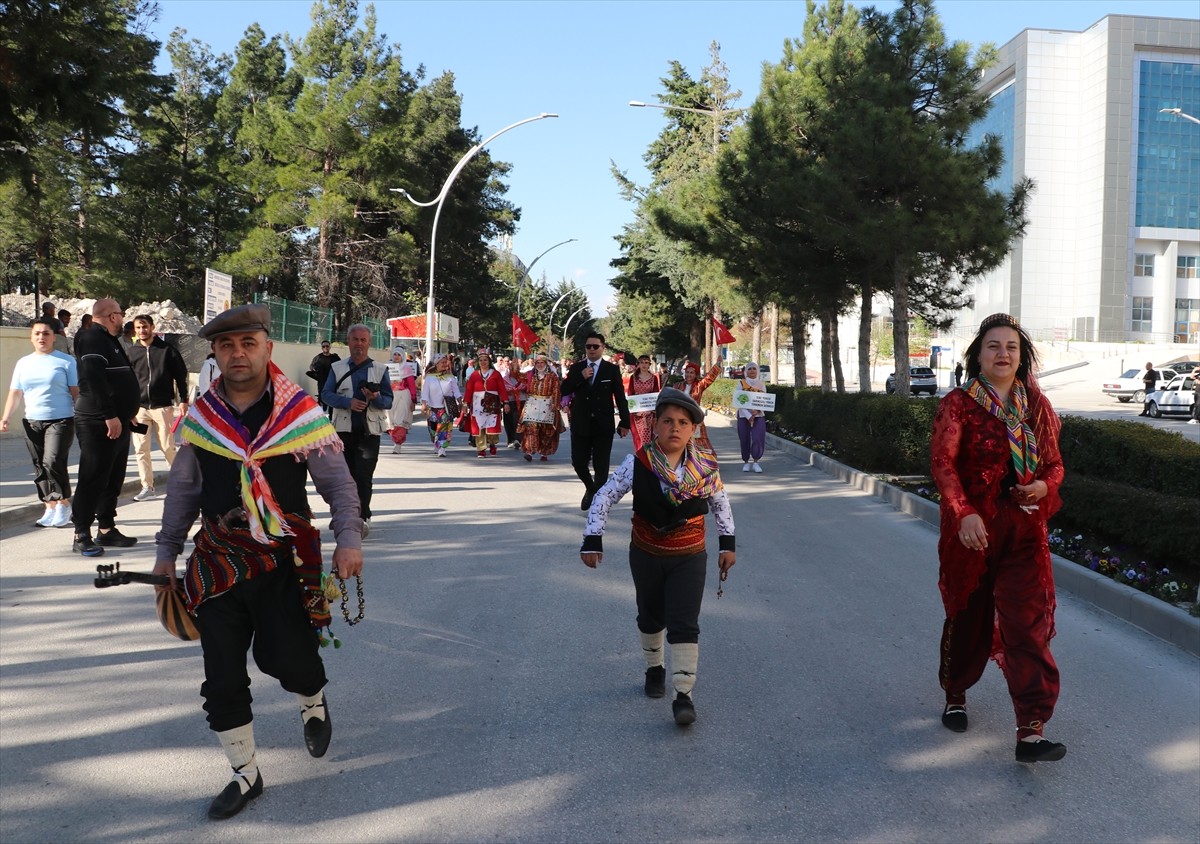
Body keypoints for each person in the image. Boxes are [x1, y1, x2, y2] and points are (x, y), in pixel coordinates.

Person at [151, 303, 363, 820]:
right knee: (221, 676)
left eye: (248, 343)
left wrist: (349, 539)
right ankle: (245, 773)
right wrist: (166, 553)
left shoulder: (300, 414)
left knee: (288, 660)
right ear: (215, 355)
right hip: (218, 562)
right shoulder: (201, 419)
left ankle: (311, 699)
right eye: (226, 346)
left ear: (268, 348)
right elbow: (182, 492)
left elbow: (338, 485)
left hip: (282, 564)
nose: (238, 354)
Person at [931, 312, 1067, 764]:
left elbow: (1055, 464)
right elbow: (944, 464)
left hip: (1023, 532)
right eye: (993, 346)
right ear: (979, 355)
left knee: (1027, 627)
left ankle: (1031, 731)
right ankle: (955, 693)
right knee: (968, 618)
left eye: (1011, 347)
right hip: (973, 533)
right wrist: (963, 512)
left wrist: (1043, 486)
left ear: (1022, 356)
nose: (1003, 354)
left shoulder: (1036, 406)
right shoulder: (959, 404)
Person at [580, 388, 736, 727]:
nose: (675, 428)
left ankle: (683, 694)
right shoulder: (637, 463)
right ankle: (654, 670)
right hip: (647, 553)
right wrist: (592, 538)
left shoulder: (706, 468)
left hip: (689, 555)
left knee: (684, 622)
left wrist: (728, 544)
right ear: (655, 425)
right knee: (650, 616)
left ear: (693, 429)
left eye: (683, 422)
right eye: (667, 421)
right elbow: (604, 496)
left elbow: (720, 504)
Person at [71, 298, 140, 556]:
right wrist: (109, 414)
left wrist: (127, 414)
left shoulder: (109, 339)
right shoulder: (92, 337)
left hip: (117, 421)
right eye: (121, 314)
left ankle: (106, 528)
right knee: (93, 477)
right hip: (98, 421)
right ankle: (81, 533)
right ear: (112, 316)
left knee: (113, 478)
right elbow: (94, 377)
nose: (123, 318)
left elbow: (116, 380)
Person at [1, 320, 79, 528]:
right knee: (39, 465)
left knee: (53, 461)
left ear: (54, 337)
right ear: (31, 337)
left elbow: (75, 392)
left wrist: (83, 417)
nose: (41, 337)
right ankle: (49, 506)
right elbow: (15, 393)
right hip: (32, 420)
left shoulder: (66, 361)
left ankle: (63, 504)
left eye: (45, 333)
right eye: (37, 334)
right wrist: (6, 417)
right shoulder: (23, 363)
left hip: (61, 419)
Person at [321, 325, 392, 538]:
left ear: (369, 343)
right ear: (349, 342)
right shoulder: (337, 368)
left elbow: (388, 401)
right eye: (355, 339)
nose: (359, 344)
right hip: (343, 431)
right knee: (345, 478)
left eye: (363, 340)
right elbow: (325, 394)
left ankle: (362, 517)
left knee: (363, 476)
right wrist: (347, 402)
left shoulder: (380, 369)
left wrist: (375, 398)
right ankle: (346, 515)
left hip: (369, 432)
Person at [561, 333, 631, 510]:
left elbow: (620, 397)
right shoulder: (577, 368)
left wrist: (625, 422)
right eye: (588, 346)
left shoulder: (611, 369)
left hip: (603, 424)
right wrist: (581, 377)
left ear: (602, 348)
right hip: (581, 423)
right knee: (578, 463)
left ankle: (597, 500)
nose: (591, 349)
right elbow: (564, 389)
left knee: (601, 467)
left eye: (595, 346)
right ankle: (590, 488)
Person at [129, 314, 190, 501]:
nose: (142, 331)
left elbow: (181, 375)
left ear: (152, 327)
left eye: (145, 327)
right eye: (138, 328)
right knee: (141, 448)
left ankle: (182, 482)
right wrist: (128, 407)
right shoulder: (131, 352)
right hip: (139, 409)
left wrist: (184, 399)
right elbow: (126, 380)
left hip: (162, 408)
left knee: (167, 446)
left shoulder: (167, 350)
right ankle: (147, 487)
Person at [518, 352, 563, 462]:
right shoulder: (530, 375)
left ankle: (544, 452)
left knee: (546, 430)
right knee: (531, 427)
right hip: (532, 403)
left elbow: (556, 391)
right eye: (537, 363)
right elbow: (518, 377)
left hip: (547, 405)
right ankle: (529, 452)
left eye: (542, 362)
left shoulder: (552, 376)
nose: (539, 365)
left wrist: (555, 404)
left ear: (546, 363)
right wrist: (514, 367)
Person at [463, 349, 508, 458]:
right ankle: (481, 449)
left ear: (489, 361)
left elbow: (502, 389)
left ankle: (492, 444)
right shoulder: (474, 375)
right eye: (481, 360)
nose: (483, 362)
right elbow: (469, 390)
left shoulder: (496, 374)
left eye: (485, 360)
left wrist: (505, 402)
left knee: (491, 424)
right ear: (478, 362)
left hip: (493, 403)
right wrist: (465, 403)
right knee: (479, 425)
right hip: (477, 404)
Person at [672, 361, 722, 450]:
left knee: (698, 444)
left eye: (692, 373)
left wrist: (717, 364)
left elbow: (709, 377)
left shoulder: (699, 385)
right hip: (679, 418)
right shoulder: (677, 385)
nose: (689, 375)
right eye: (687, 372)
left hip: (694, 418)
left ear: (696, 375)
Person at [420, 354, 461, 457]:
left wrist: (460, 402)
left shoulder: (450, 377)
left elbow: (456, 391)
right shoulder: (429, 377)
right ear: (436, 364)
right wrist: (424, 404)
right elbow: (425, 392)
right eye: (442, 362)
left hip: (446, 408)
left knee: (443, 428)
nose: (444, 364)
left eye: (445, 362)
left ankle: (442, 447)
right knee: (433, 429)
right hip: (432, 408)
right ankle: (436, 443)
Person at [736, 362, 767, 473]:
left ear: (757, 371)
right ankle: (746, 462)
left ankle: (756, 462)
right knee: (744, 438)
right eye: (749, 369)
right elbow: (738, 400)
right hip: (744, 416)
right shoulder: (741, 384)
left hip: (759, 416)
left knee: (758, 438)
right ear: (746, 371)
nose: (752, 371)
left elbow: (764, 400)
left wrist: (757, 410)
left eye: (754, 368)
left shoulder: (761, 385)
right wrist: (748, 415)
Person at [385, 347, 416, 454]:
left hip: (403, 396)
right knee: (390, 420)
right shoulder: (388, 367)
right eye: (395, 354)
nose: (396, 357)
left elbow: (412, 385)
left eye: (399, 355)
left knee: (400, 420)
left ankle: (397, 444)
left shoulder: (407, 368)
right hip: (390, 396)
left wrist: (413, 400)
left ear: (402, 356)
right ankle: (394, 439)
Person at [626, 354, 661, 451]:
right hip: (636, 414)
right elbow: (630, 394)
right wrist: (635, 411)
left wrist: (650, 410)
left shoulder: (653, 378)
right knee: (638, 440)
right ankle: (641, 458)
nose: (644, 365)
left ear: (649, 364)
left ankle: (649, 459)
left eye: (646, 363)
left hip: (650, 414)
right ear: (638, 364)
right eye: (641, 363)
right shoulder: (633, 378)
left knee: (649, 441)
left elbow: (655, 395)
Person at [307, 340, 340, 412]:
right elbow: (311, 366)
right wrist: (314, 369)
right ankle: (323, 413)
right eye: (323, 346)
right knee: (322, 399)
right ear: (321, 348)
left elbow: (340, 366)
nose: (325, 348)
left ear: (330, 347)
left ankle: (330, 415)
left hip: (332, 382)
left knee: (331, 399)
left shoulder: (334, 357)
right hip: (322, 382)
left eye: (327, 346)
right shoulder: (318, 358)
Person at [502, 357, 525, 449]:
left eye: (516, 368)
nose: (514, 370)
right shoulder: (505, 378)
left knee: (518, 420)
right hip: (509, 401)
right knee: (509, 421)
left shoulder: (523, 378)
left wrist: (522, 388)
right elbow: (502, 389)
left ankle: (518, 439)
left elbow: (528, 387)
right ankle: (511, 440)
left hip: (521, 401)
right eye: (512, 368)